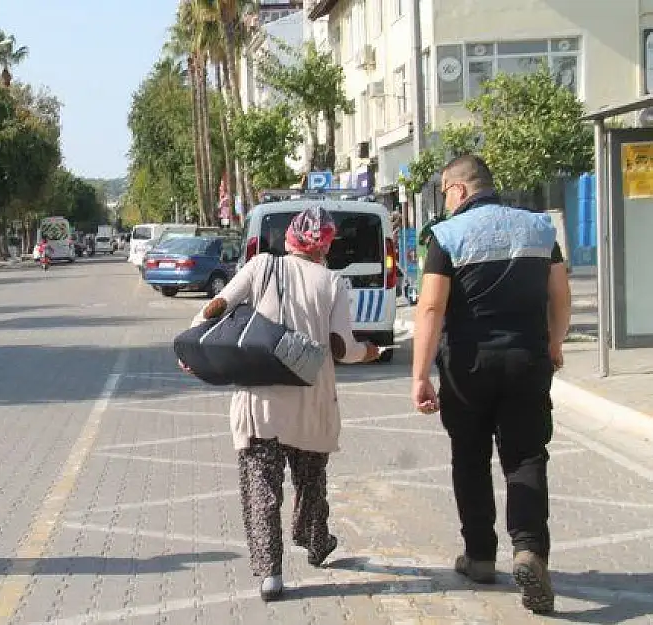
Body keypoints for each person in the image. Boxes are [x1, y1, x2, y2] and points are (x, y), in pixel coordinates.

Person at [185, 207, 379, 601]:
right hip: (310, 399)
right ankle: (314, 539)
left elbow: (217, 306)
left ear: (289, 238)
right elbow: (342, 348)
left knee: (261, 486)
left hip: (260, 398)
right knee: (310, 482)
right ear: (325, 244)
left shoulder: (261, 267)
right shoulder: (331, 282)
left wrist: (193, 341)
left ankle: (270, 573)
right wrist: (370, 352)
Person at [411, 155, 571, 615]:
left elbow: (430, 309)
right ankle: (529, 551)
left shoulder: (446, 236)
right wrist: (554, 344)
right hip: (526, 361)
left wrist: (420, 375)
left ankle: (480, 555)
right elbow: (560, 294)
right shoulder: (540, 230)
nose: (444, 201)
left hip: (468, 366)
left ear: (458, 190)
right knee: (525, 457)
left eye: (444, 192)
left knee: (470, 457)